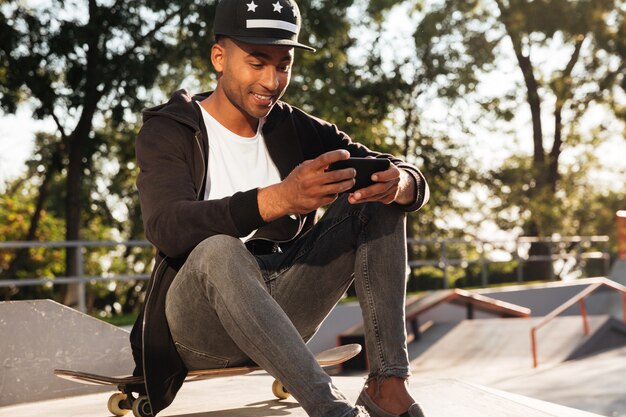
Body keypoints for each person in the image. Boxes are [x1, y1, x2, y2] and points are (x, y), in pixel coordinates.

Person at [130, 0, 429, 416]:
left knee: (376, 200)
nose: (272, 81)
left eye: (283, 65)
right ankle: (330, 409)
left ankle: (388, 384)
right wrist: (279, 199)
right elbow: (167, 227)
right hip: (198, 329)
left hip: (284, 307)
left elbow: (391, 166)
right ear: (219, 57)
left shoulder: (294, 128)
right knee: (219, 248)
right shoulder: (170, 129)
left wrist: (404, 184)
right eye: (257, 63)